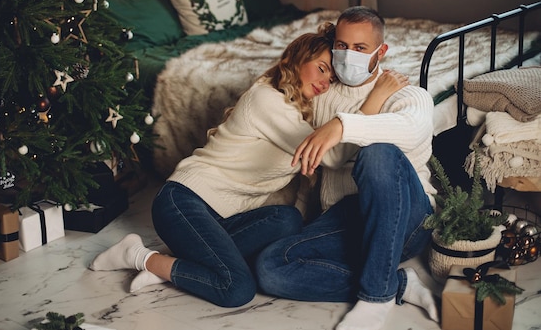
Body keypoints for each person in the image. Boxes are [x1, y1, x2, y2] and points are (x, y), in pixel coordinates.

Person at [88, 22, 408, 308]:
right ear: (297, 60)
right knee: (237, 288)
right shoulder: (268, 100)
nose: (326, 82)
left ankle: (173, 266)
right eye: (322, 68)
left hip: (220, 217)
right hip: (183, 201)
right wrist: (375, 98)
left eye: (333, 76)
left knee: (287, 220)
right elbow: (335, 156)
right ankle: (139, 256)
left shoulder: (296, 111)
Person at [255, 6, 439, 330]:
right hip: (346, 218)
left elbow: (414, 128)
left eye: (360, 48)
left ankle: (375, 298)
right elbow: (321, 159)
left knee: (378, 152)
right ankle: (397, 283)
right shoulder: (321, 90)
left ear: (381, 52)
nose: (347, 55)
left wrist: (341, 126)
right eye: (341, 45)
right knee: (270, 268)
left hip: (407, 220)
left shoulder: (405, 92)